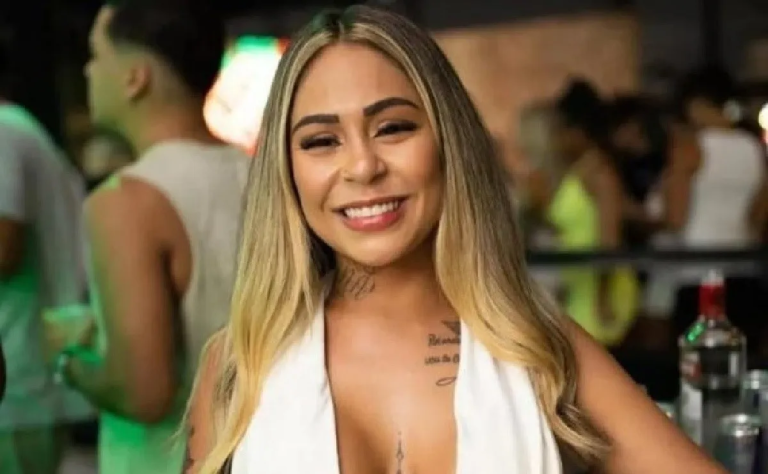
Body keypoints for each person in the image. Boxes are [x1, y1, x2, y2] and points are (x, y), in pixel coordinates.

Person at [186, 6, 726, 474]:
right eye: (321, 140)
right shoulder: (238, 363)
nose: (363, 166)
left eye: (393, 128)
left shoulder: (541, 347)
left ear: (449, 142)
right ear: (287, 171)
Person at [43, 2, 249, 474]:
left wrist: (68, 362)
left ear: (136, 79)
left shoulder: (126, 201)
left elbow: (145, 392)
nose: (88, 71)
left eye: (96, 55)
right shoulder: (261, 173)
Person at [0, 41, 89, 474]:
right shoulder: (20, 127)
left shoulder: (2, 131)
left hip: (17, 385)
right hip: (26, 380)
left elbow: (4, 249)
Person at [520, 83, 639, 347]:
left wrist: (603, 295)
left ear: (579, 132)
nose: (558, 139)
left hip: (600, 287)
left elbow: (610, 238)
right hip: (579, 283)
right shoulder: (577, 171)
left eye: (563, 131)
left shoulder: (601, 174)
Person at [668, 65, 768, 358]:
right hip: (744, 267)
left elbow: (675, 218)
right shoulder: (754, 147)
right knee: (743, 360)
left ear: (694, 104)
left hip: (697, 271)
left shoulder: (690, 148)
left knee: (695, 364)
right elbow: (759, 216)